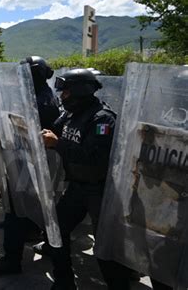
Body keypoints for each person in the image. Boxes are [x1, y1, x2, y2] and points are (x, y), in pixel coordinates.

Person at [41, 69, 130, 289]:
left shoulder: (102, 119)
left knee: (105, 247)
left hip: (99, 190)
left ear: (80, 92)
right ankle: (64, 281)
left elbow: (95, 158)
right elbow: (54, 128)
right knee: (56, 232)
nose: (62, 97)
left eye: (66, 93)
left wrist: (57, 143)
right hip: (77, 187)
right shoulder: (71, 114)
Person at [0, 56, 60, 274]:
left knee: (16, 213)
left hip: (29, 164)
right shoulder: (41, 95)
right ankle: (37, 237)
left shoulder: (40, 101)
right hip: (29, 162)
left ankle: (11, 261)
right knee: (26, 211)